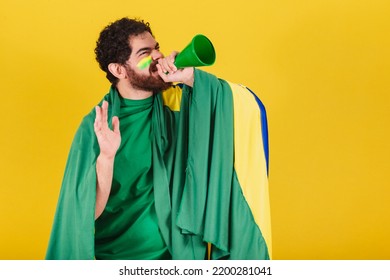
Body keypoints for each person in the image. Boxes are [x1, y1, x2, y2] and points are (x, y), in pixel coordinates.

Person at [46, 17, 271, 260]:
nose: (158, 56)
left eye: (156, 47)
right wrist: (107, 158)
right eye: (145, 52)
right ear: (118, 69)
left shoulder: (179, 105)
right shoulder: (96, 127)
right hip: (115, 259)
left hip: (178, 259)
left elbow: (243, 106)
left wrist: (190, 78)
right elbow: (82, 214)